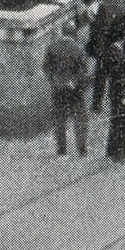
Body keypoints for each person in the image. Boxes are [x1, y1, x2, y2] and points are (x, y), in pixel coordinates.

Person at [43, 21, 89, 159]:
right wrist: (74, 82)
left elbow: (46, 68)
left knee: (59, 119)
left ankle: (62, 150)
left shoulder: (52, 47)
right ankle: (82, 149)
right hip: (75, 91)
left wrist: (54, 81)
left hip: (58, 89)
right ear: (74, 33)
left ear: (62, 32)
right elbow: (83, 71)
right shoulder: (79, 49)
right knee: (80, 119)